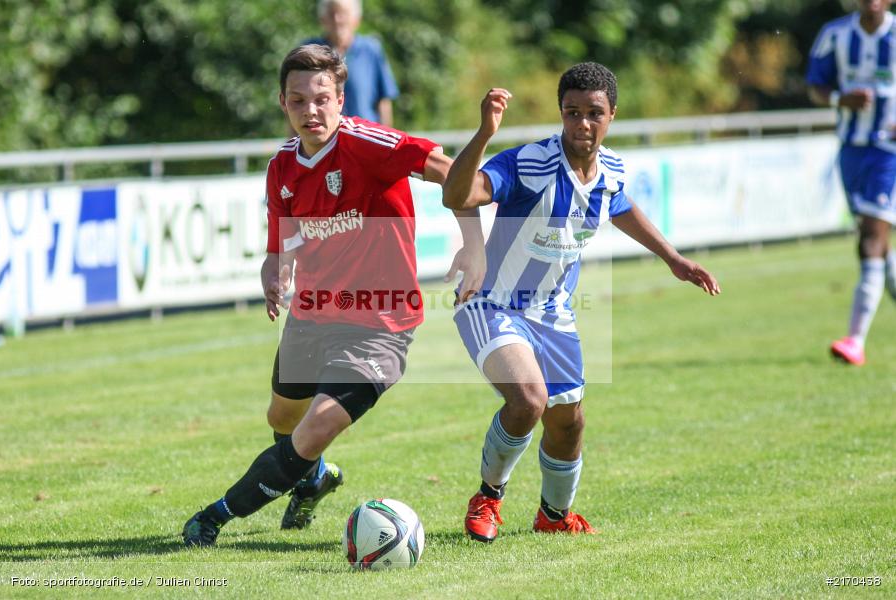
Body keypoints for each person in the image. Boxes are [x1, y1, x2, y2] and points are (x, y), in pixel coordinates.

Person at [182, 44, 484, 546]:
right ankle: (315, 477)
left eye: (322, 98)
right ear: (283, 103)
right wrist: (273, 269)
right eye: (298, 101)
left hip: (378, 326)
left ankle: (214, 517)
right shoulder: (282, 166)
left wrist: (474, 247)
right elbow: (280, 245)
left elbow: (457, 178)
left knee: (314, 427)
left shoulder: (368, 143)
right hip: (314, 312)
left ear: (340, 98)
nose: (311, 111)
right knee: (282, 417)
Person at [442, 62, 721, 542]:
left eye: (594, 113)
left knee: (569, 424)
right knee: (529, 399)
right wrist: (485, 133)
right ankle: (488, 497)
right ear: (561, 114)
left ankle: (554, 513)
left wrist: (672, 258)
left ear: (611, 115)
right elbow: (458, 193)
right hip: (492, 304)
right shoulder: (530, 163)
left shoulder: (610, 167)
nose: (582, 124)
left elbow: (620, 204)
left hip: (554, 314)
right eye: (572, 113)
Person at [807, 0, 896, 366]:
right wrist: (839, 99)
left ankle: (855, 341)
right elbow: (814, 87)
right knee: (879, 243)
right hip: (851, 152)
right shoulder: (835, 35)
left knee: (870, 239)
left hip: (888, 154)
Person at [304, 0, 399, 126]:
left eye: (343, 14)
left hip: (365, 135)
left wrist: (386, 140)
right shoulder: (310, 50)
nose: (337, 20)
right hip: (323, 136)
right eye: (331, 14)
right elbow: (297, 99)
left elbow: (383, 101)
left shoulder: (371, 49)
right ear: (322, 19)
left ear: (356, 19)